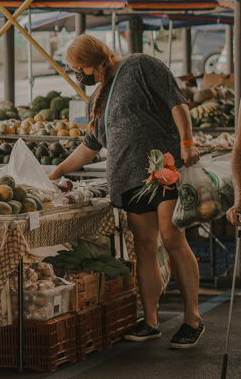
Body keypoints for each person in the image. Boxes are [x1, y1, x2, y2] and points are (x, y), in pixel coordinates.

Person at [47, 34, 204, 349]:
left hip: (163, 167)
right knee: (144, 248)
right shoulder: (98, 97)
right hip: (128, 180)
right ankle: (150, 321)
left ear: (93, 62)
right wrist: (58, 171)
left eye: (79, 68)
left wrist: (187, 141)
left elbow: (177, 101)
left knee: (172, 237)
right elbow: (90, 146)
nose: (79, 75)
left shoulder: (140, 65)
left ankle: (192, 319)